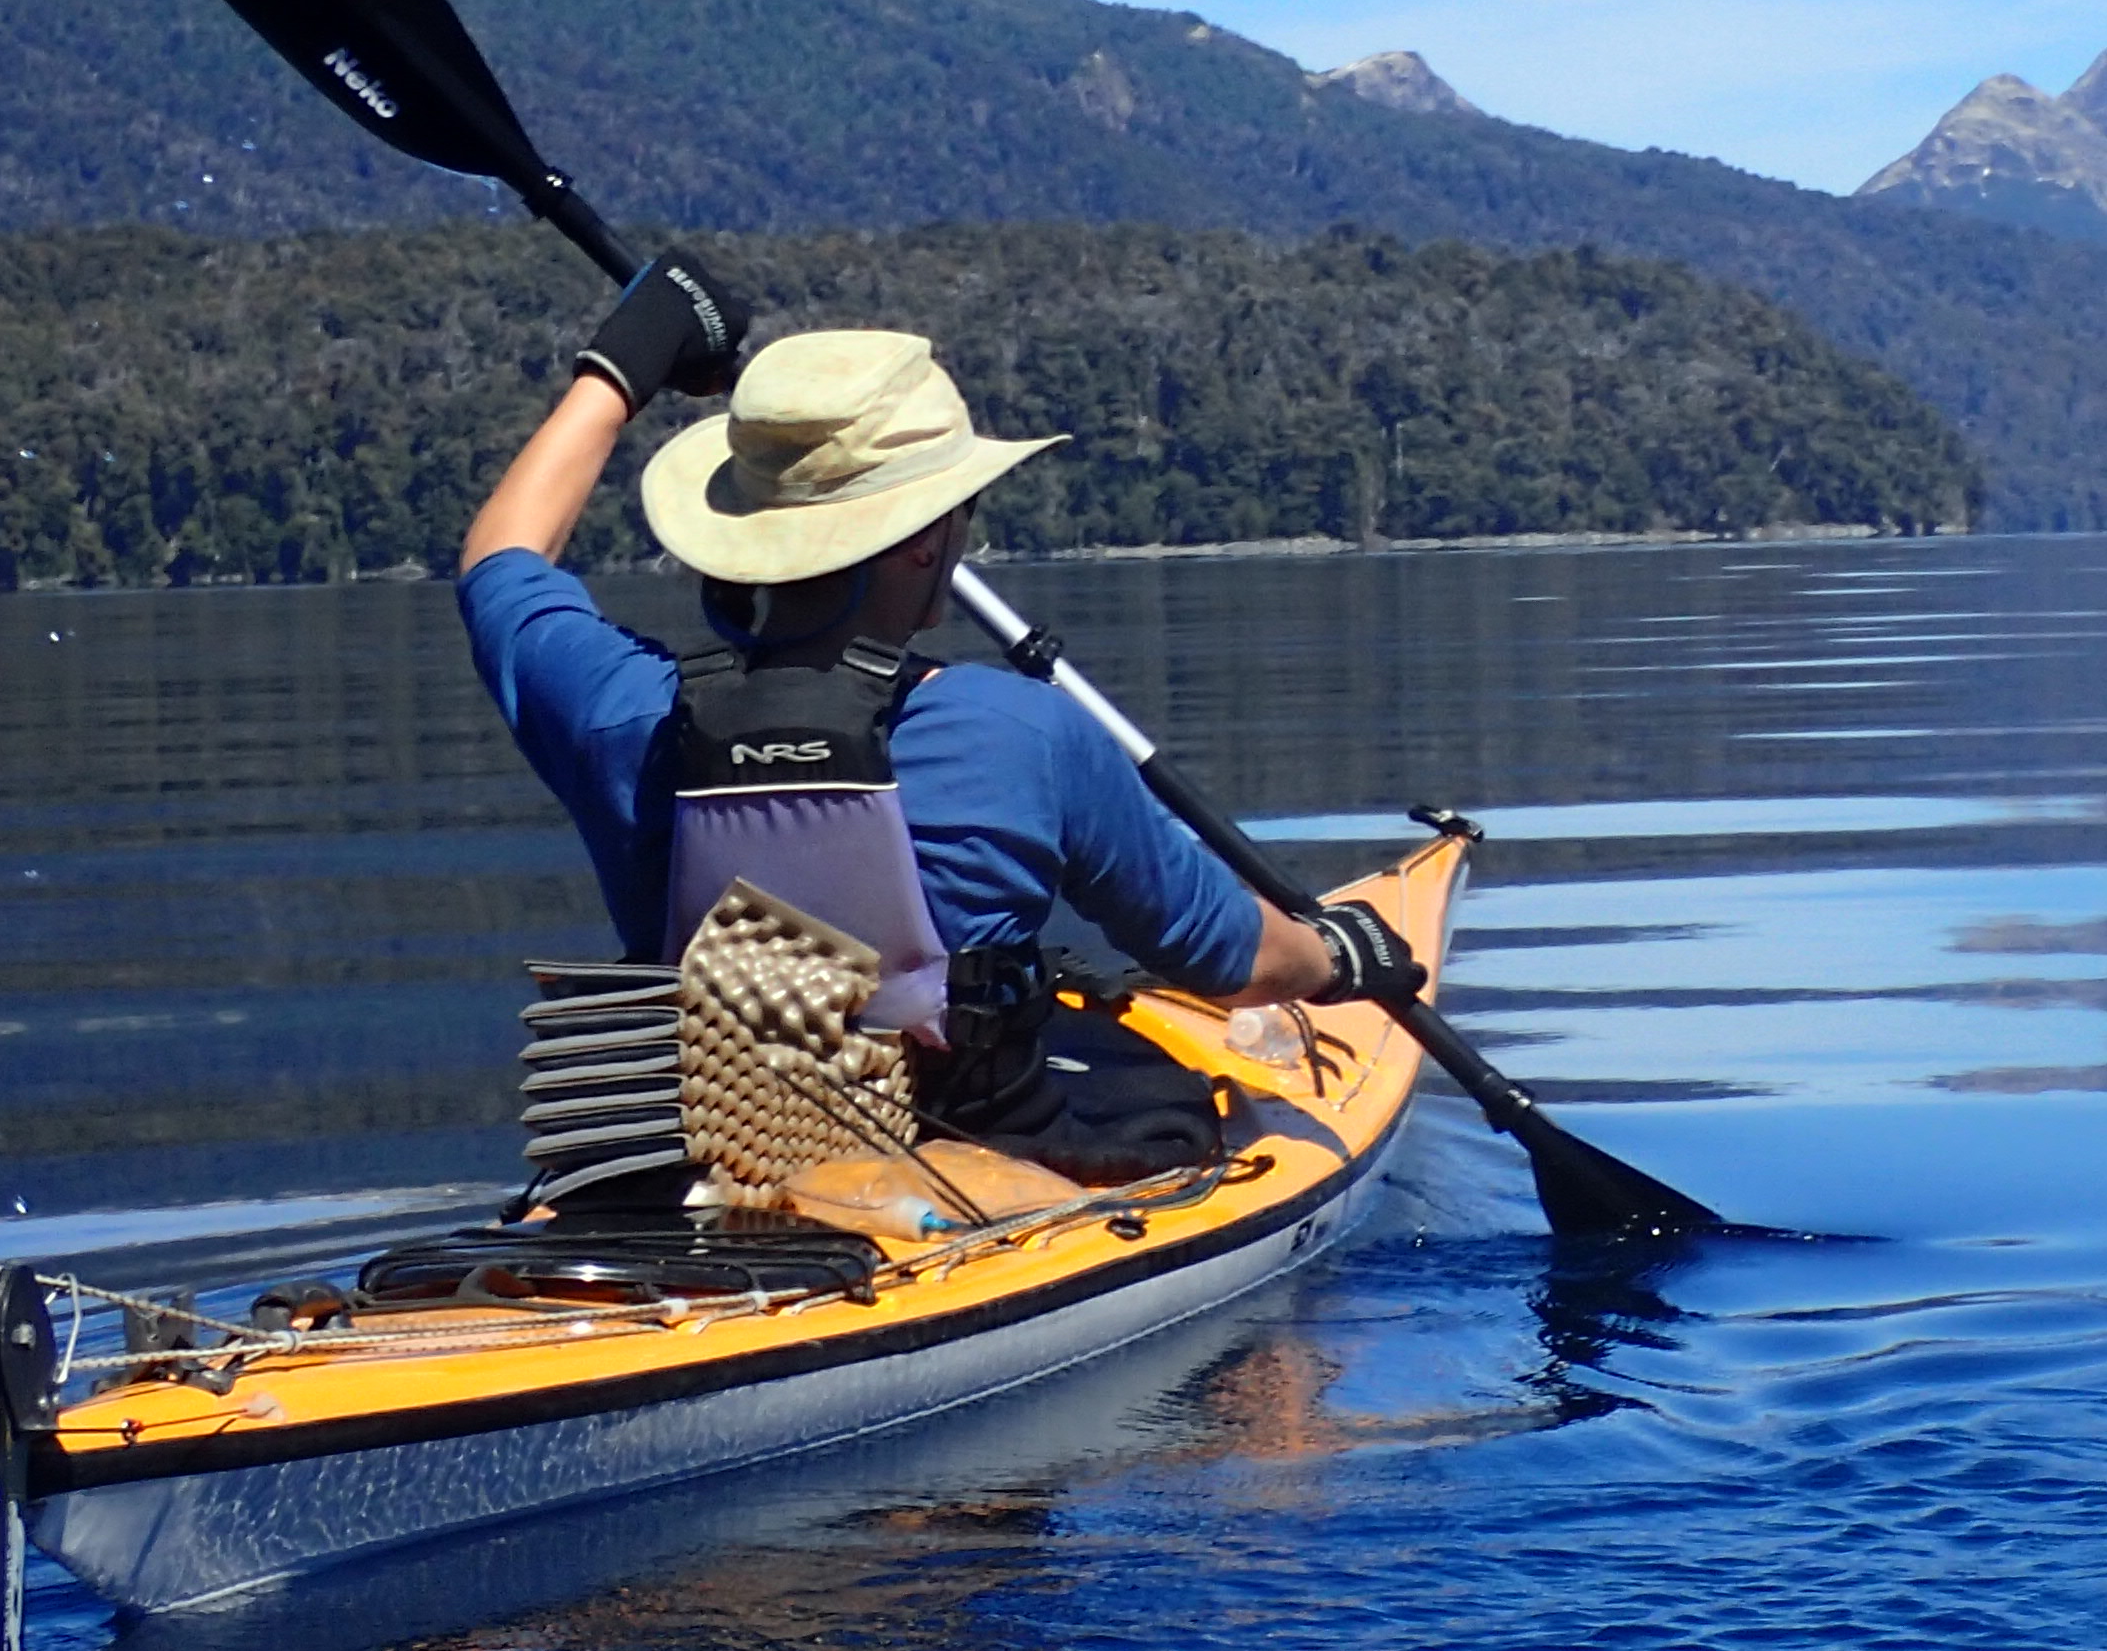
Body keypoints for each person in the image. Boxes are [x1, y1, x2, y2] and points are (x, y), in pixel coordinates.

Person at [456, 253, 1423, 1186]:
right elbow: (1229, 956)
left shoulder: (617, 714)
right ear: (926, 541)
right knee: (1173, 1105)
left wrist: (628, 357)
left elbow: (500, 564)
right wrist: (1338, 953)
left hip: (713, 1158)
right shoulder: (1023, 733)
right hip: (971, 1162)